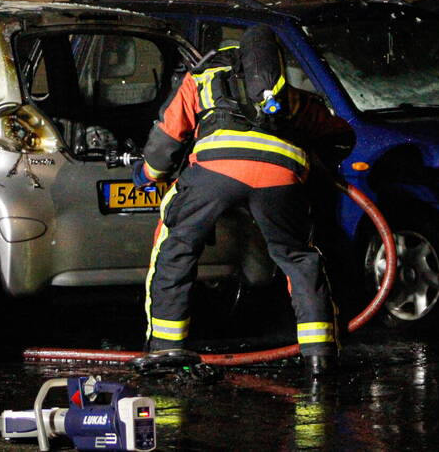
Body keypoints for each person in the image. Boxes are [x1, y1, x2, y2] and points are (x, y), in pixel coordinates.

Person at [132, 24, 353, 379]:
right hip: (282, 178)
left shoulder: (201, 79)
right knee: (298, 257)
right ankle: (320, 353)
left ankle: (166, 345)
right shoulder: (286, 96)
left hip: (215, 174)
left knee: (176, 247)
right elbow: (339, 133)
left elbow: (167, 139)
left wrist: (148, 175)